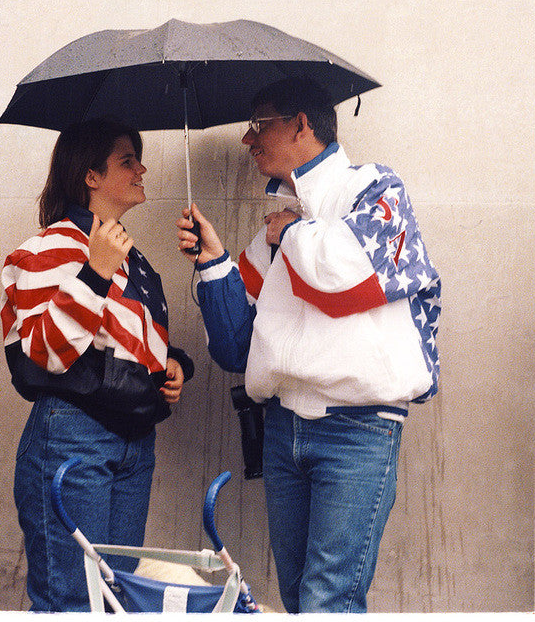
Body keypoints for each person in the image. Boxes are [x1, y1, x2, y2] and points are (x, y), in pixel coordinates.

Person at [176, 76, 441, 614]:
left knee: (328, 601)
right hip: (281, 428)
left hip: (358, 429)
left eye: (259, 125)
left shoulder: (374, 187)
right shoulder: (277, 224)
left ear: (302, 124)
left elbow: (348, 282)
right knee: (298, 600)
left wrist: (288, 235)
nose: (248, 141)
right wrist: (213, 259)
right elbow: (234, 347)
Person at [1, 117, 194, 612]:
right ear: (91, 175)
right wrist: (96, 270)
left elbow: (117, 340)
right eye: (127, 160)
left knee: (113, 600)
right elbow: (44, 351)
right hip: (74, 437)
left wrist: (171, 365)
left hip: (132, 440)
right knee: (72, 601)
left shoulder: (125, 252)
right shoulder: (51, 246)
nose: (141, 168)